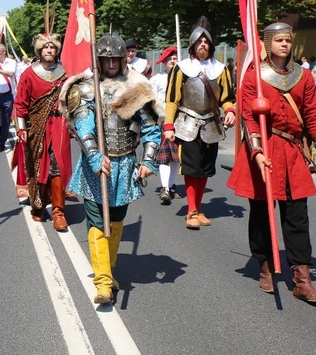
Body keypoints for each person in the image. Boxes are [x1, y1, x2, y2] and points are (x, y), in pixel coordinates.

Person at [226, 22, 316, 303]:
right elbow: (249, 118)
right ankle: (264, 266)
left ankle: (302, 278)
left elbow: (313, 115)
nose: (284, 44)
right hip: (264, 150)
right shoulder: (254, 77)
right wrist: (257, 152)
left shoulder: (305, 76)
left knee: (297, 215)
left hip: (293, 151)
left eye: (288, 40)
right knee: (262, 213)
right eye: (279, 40)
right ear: (268, 43)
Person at [60, 33, 162, 304]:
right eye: (106, 59)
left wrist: (149, 160)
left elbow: (151, 126)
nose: (112, 63)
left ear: (122, 58)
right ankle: (103, 281)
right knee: (96, 219)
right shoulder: (86, 87)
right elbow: (83, 124)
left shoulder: (137, 87)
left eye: (116, 58)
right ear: (99, 60)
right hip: (97, 164)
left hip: (126, 162)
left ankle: (110, 270)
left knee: (116, 219)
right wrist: (94, 155)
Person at [164, 17, 235, 229]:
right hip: (187, 124)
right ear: (193, 45)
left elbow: (227, 97)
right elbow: (172, 98)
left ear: (211, 45)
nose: (203, 44)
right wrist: (169, 125)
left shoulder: (221, 69)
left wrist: (230, 110)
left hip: (211, 124)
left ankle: (198, 208)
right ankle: (191, 211)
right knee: (192, 169)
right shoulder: (181, 68)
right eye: (199, 41)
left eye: (206, 42)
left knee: (205, 170)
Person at [15, 32, 72, 231]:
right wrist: (22, 129)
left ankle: (58, 212)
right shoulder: (28, 74)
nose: (49, 50)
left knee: (57, 166)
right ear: (39, 50)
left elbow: (72, 101)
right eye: (46, 47)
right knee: (38, 166)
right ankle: (38, 205)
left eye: (52, 47)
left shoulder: (65, 74)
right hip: (36, 127)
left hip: (60, 127)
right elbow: (20, 104)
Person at [149, 46, 181, 204]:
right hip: (164, 120)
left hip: (181, 122)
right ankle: (164, 188)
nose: (173, 62)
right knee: (165, 156)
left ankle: (171, 185)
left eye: (175, 59)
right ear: (164, 62)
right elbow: (150, 100)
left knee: (176, 157)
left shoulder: (184, 77)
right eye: (170, 60)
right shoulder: (157, 79)